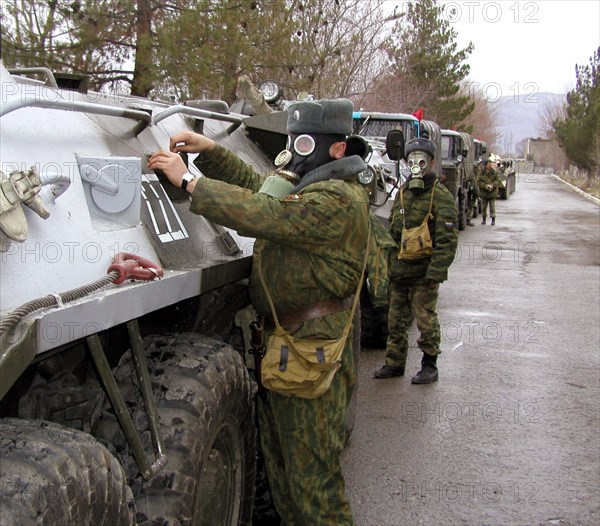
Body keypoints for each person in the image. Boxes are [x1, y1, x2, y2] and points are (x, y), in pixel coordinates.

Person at [148, 98, 370, 525]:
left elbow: (265, 213)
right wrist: (211, 152)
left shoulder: (337, 198)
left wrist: (191, 183)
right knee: (285, 473)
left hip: (310, 352)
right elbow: (259, 186)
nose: (294, 152)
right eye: (292, 141)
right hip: (288, 349)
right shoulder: (309, 186)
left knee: (313, 485)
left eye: (304, 142)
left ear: (338, 150)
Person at [373, 137, 458, 384]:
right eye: (411, 160)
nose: (416, 165)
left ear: (431, 163)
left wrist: (435, 272)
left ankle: (429, 365)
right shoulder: (403, 193)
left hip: (424, 273)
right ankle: (394, 363)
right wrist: (388, 265)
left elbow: (447, 239)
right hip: (400, 272)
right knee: (395, 320)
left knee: (425, 318)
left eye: (421, 160)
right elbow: (394, 233)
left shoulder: (439, 197)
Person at [477, 158, 504, 225]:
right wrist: (485, 186)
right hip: (484, 193)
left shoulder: (494, 172)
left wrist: (492, 185)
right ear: (485, 165)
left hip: (492, 193)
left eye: (490, 164)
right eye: (489, 164)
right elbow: (479, 181)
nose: (490, 165)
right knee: (483, 207)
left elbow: (498, 180)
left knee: (492, 207)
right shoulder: (482, 173)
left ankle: (493, 219)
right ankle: (484, 219)